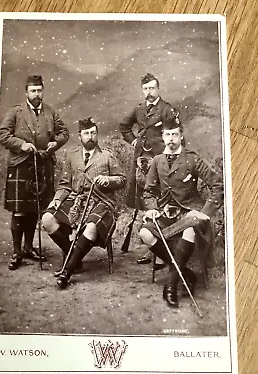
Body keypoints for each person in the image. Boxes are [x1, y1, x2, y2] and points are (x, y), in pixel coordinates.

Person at [139, 116, 223, 308]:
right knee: (144, 232)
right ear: (162, 136)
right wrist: (152, 209)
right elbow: (149, 191)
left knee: (190, 228)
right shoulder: (157, 161)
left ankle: (171, 284)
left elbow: (217, 185)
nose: (171, 139)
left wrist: (205, 212)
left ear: (181, 136)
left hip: (190, 212)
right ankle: (186, 274)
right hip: (164, 214)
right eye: (167, 135)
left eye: (174, 134)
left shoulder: (192, 159)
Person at [42, 117, 126, 289]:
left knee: (91, 227)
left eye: (93, 133)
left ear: (97, 135)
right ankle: (76, 258)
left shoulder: (107, 156)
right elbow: (65, 185)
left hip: (103, 202)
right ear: (80, 135)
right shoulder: (72, 156)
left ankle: (67, 271)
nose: (90, 137)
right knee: (47, 219)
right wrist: (57, 200)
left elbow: (122, 180)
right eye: (86, 133)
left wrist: (109, 180)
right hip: (76, 200)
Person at [0, 75, 69, 270]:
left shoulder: (50, 112)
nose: (37, 94)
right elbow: (2, 135)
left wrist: (56, 143)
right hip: (21, 165)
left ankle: (29, 248)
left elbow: (64, 132)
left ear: (43, 90)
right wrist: (22, 144)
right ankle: (16, 251)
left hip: (43, 165)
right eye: (33, 91)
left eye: (39, 90)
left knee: (35, 210)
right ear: (26, 92)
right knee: (20, 211)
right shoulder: (16, 112)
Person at [119, 72, 180, 264]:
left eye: (152, 88)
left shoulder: (167, 110)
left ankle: (163, 250)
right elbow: (124, 126)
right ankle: (153, 247)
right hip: (142, 163)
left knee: (162, 201)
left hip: (162, 162)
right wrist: (134, 141)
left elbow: (177, 136)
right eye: (145, 89)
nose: (149, 92)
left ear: (158, 88)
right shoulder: (139, 110)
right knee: (147, 202)